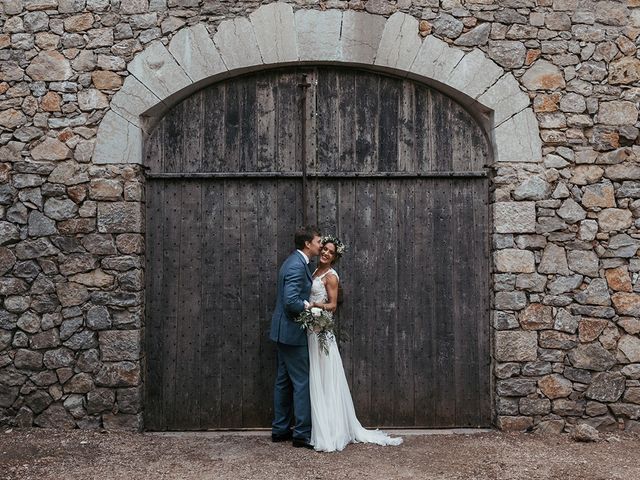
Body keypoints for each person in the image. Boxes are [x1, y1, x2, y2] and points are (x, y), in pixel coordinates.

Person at [307, 235, 403, 452]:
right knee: (316, 377)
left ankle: (331, 430)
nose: (325, 253)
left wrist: (314, 306)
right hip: (311, 331)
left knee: (326, 378)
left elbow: (332, 305)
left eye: (330, 252)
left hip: (321, 331)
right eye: (324, 250)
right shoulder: (315, 272)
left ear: (334, 257)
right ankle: (318, 424)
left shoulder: (331, 276)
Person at [270, 226, 322, 449]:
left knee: (283, 381)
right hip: (292, 332)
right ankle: (301, 433)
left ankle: (280, 429)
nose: (321, 245)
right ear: (307, 244)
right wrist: (309, 307)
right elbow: (291, 301)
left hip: (284, 332)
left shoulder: (296, 262)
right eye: (318, 241)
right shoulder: (296, 265)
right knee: (301, 381)